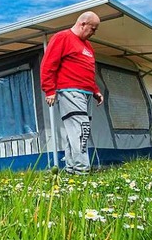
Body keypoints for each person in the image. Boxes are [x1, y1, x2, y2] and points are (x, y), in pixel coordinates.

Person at [40, 11, 104, 175]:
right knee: (81, 130)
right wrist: (49, 90)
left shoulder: (88, 47)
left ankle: (71, 169)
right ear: (83, 24)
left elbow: (87, 70)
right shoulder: (62, 37)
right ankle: (83, 171)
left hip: (86, 93)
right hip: (70, 91)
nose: (94, 33)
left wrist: (96, 90)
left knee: (74, 133)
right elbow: (48, 64)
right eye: (93, 28)